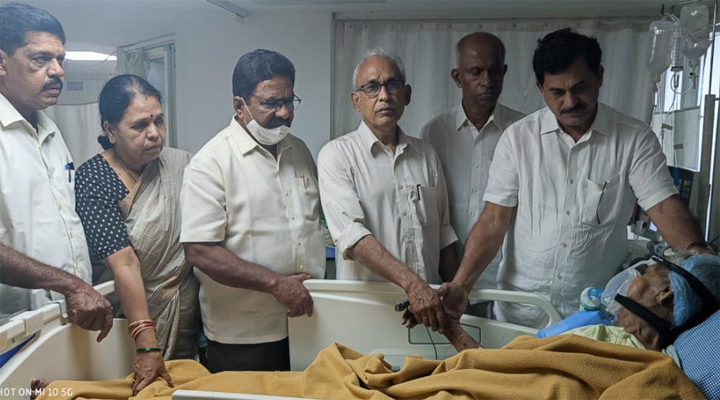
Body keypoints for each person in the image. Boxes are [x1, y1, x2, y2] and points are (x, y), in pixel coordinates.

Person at [441, 28, 712, 328]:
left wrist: (702, 263)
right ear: (540, 87)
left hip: (591, 316)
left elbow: (663, 206)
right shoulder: (518, 139)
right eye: (557, 92)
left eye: (580, 87)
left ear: (599, 76)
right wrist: (461, 285)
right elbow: (494, 220)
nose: (570, 101)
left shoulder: (634, 139)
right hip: (520, 314)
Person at [181, 49, 325, 373]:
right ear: (239, 105)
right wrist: (277, 284)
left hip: (307, 320)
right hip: (244, 335)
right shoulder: (211, 164)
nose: (284, 112)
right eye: (271, 103)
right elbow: (199, 251)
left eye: (289, 101)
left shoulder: (299, 150)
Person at [74, 75, 200, 394]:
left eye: (159, 120)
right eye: (140, 125)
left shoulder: (183, 165)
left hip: (186, 309)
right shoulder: (95, 177)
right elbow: (125, 263)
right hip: (126, 320)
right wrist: (146, 343)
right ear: (110, 130)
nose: (154, 133)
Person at [318, 48, 458, 332]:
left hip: (430, 312)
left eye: (392, 85)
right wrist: (413, 285)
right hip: (369, 314)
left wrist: (455, 300)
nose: (384, 95)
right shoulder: (337, 155)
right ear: (356, 101)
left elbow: (443, 233)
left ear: (406, 95)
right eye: (371, 87)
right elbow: (352, 238)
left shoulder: (426, 154)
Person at [0, 2, 111, 337]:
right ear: (2, 63)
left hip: (64, 316)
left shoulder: (49, 130)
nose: (58, 71)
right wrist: (69, 284)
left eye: (60, 59)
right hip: (12, 326)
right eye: (40, 59)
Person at [420, 32, 524, 317]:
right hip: (446, 280)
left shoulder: (522, 132)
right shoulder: (434, 133)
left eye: (494, 71)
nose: (487, 81)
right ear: (457, 77)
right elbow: (432, 210)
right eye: (476, 72)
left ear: (504, 72)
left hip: (505, 282)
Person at [443, 254, 720, 353]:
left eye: (644, 272)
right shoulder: (637, 351)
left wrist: (449, 326)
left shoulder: (603, 341)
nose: (632, 276)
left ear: (665, 293)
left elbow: (496, 369)